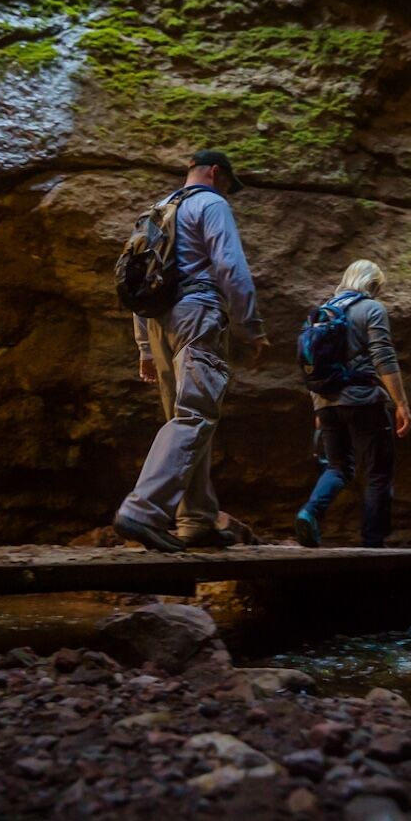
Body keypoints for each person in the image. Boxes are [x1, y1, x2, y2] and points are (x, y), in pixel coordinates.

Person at [114, 150, 270, 553]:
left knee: (185, 419)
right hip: (197, 315)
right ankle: (142, 510)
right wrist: (251, 327)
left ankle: (196, 520)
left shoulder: (160, 208)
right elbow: (230, 267)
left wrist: (145, 346)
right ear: (215, 173)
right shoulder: (211, 203)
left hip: (158, 319)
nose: (227, 194)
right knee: (196, 416)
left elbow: (138, 276)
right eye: (227, 186)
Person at [294, 259, 411, 549]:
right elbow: (383, 356)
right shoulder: (371, 309)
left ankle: (310, 512)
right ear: (372, 285)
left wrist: (319, 408)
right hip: (363, 401)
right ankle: (373, 543)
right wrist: (401, 404)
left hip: (326, 402)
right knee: (377, 471)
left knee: (337, 467)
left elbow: (308, 364)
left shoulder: (321, 314)